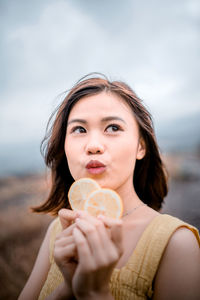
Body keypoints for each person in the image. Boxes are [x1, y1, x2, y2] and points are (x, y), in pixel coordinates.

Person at [18, 74, 200, 300]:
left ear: (140, 146)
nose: (93, 146)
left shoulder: (176, 244)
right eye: (79, 130)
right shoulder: (59, 230)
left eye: (113, 127)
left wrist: (95, 293)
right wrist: (66, 289)